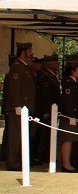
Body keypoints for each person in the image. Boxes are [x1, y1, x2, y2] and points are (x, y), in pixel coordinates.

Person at [4, 42, 36, 172]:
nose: (31, 54)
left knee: (21, 136)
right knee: (15, 136)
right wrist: (17, 105)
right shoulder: (17, 67)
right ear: (23, 53)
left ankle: (18, 160)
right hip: (18, 108)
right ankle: (12, 162)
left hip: (24, 108)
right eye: (29, 51)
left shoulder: (24, 67)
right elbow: (14, 88)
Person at [57, 60, 78, 173]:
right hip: (69, 117)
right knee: (67, 140)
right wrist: (71, 116)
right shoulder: (68, 82)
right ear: (72, 71)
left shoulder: (73, 82)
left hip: (74, 115)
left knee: (71, 140)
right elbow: (68, 101)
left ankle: (68, 163)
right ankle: (66, 164)